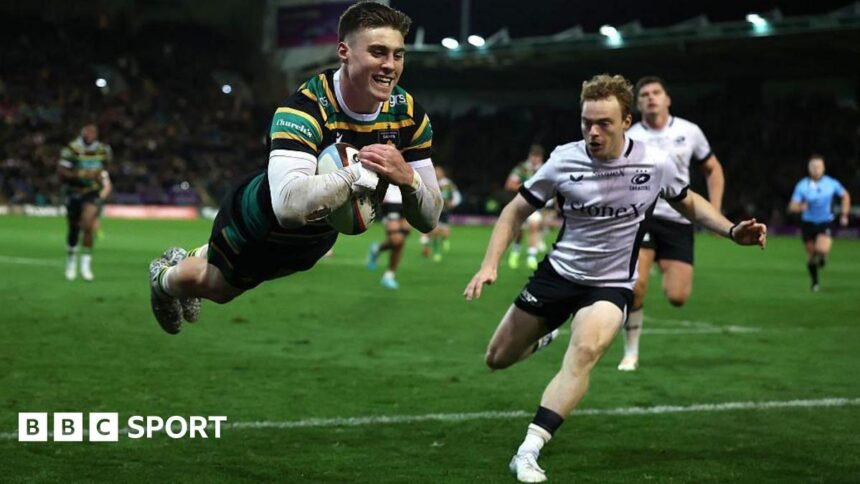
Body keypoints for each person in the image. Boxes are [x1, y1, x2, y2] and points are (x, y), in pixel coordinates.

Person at [463, 74, 766, 483]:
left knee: (585, 351)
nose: (593, 132)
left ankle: (529, 450)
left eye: (604, 123)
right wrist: (489, 264)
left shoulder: (654, 162)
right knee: (497, 358)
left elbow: (688, 202)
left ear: (626, 121)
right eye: (586, 122)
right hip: (559, 273)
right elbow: (515, 211)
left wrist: (730, 230)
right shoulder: (564, 159)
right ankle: (543, 337)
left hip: (610, 284)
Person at [147, 1, 442, 334]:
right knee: (217, 287)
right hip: (262, 222)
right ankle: (163, 280)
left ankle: (190, 256)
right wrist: (359, 174)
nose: (390, 65)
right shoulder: (305, 108)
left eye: (398, 55)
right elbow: (288, 207)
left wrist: (409, 179)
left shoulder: (409, 115)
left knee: (223, 274)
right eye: (378, 52)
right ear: (344, 52)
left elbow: (429, 218)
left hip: (316, 237)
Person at [617, 76, 725, 371]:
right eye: (644, 95)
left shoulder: (690, 132)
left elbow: (713, 169)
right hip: (643, 217)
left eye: (656, 92)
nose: (651, 97)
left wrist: (715, 212)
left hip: (679, 219)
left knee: (678, 296)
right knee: (636, 286)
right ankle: (631, 353)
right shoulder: (630, 136)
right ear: (638, 105)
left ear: (667, 99)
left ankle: (659, 262)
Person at [58, 124, 113, 281]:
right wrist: (82, 174)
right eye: (87, 132)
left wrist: (102, 176)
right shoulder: (71, 149)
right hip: (74, 191)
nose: (90, 135)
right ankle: (71, 260)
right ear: (82, 133)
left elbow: (106, 167)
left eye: (93, 133)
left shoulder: (102, 149)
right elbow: (61, 172)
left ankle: (85, 265)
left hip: (92, 191)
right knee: (73, 227)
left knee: (88, 225)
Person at [788, 154, 851, 292]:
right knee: (812, 256)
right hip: (808, 224)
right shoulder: (802, 185)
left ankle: (822, 257)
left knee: (821, 250)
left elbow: (845, 196)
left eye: (819, 166)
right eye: (813, 166)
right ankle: (815, 282)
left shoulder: (831, 183)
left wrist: (844, 214)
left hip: (825, 222)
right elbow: (792, 206)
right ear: (809, 168)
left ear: (823, 168)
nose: (816, 169)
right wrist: (800, 207)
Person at [505, 144, 546, 270]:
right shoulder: (521, 169)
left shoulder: (545, 169)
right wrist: (526, 187)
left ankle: (531, 256)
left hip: (536, 205)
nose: (535, 159)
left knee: (534, 226)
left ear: (541, 158)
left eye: (537, 157)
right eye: (533, 156)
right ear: (530, 156)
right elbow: (509, 185)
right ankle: (516, 251)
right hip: (521, 203)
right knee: (520, 231)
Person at [367, 184, 412, 289]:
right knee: (396, 239)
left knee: (400, 241)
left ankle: (378, 250)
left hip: (407, 199)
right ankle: (389, 275)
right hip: (390, 201)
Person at [421, 165, 461, 261]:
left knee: (445, 232)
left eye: (438, 172)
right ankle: (436, 252)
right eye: (435, 172)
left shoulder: (448, 184)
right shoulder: (430, 182)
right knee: (435, 232)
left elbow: (456, 195)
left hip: (445, 210)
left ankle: (444, 240)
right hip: (434, 210)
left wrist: (453, 203)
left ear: (442, 173)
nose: (436, 173)